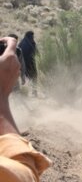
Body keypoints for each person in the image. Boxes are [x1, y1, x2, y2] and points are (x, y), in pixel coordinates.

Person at [0, 36, 51, 181]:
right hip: (10, 80)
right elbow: (24, 173)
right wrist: (2, 97)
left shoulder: (22, 48)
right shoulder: (18, 50)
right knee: (15, 98)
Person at [18, 31, 38, 96]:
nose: (33, 37)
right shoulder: (31, 43)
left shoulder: (21, 42)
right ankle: (33, 91)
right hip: (29, 63)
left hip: (23, 64)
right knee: (33, 77)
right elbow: (36, 52)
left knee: (25, 77)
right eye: (32, 36)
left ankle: (26, 92)